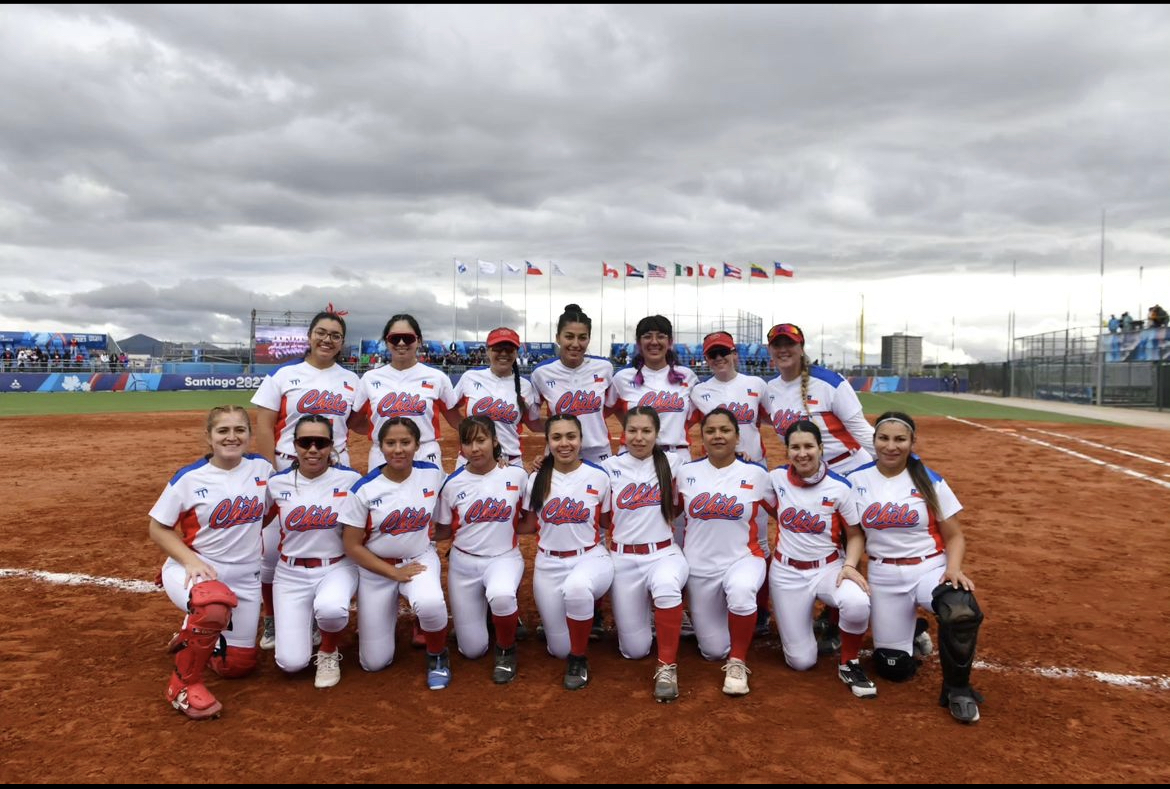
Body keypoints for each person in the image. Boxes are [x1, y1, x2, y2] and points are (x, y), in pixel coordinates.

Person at [847, 411, 985, 723]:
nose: (891, 446)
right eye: (884, 438)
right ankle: (914, 631)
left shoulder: (928, 479)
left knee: (960, 609)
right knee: (893, 668)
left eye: (900, 439)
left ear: (912, 442)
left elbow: (955, 536)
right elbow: (852, 533)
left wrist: (954, 568)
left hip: (928, 569)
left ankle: (958, 690)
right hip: (883, 574)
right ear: (874, 441)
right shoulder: (856, 481)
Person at [148, 406, 270, 720]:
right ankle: (182, 686)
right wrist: (187, 560)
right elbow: (158, 528)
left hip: (246, 577)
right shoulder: (189, 478)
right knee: (212, 606)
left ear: (249, 434)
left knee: (237, 667)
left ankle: (192, 635)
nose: (232, 437)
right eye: (223, 431)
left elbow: (269, 514)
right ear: (209, 436)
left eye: (239, 430)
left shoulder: (262, 469)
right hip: (199, 569)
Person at [251, 309, 360, 651]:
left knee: (329, 542)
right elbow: (264, 424)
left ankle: (316, 615)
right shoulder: (284, 375)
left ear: (342, 342)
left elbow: (360, 422)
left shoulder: (352, 380)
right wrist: (272, 472)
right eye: (321, 332)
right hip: (288, 469)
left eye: (335, 335)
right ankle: (272, 616)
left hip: (336, 471)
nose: (327, 339)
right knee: (272, 552)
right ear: (310, 336)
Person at [763, 322, 875, 654]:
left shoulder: (829, 383)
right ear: (770, 350)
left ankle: (853, 614)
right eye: (777, 345)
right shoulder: (771, 389)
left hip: (849, 469)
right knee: (819, 538)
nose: (784, 350)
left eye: (790, 344)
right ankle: (830, 610)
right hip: (808, 473)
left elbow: (860, 430)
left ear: (801, 348)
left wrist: (899, 466)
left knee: (856, 540)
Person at [339, 418, 452, 689]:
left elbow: (467, 480)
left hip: (418, 560)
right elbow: (351, 545)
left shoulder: (432, 473)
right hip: (376, 569)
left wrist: (500, 465)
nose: (398, 449)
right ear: (381, 447)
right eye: (390, 443)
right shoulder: (365, 489)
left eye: (405, 442)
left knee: (430, 603)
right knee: (374, 662)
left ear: (417, 445)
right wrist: (393, 572)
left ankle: (437, 655)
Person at [768, 420, 876, 698]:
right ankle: (813, 630)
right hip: (786, 573)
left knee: (857, 601)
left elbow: (855, 535)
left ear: (820, 448)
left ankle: (849, 663)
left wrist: (849, 565)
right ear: (787, 450)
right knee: (801, 661)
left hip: (829, 568)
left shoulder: (840, 486)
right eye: (795, 447)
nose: (802, 453)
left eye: (809, 446)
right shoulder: (776, 478)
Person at [677, 408, 777, 696]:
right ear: (702, 437)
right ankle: (725, 634)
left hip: (743, 559)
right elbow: (668, 512)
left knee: (743, 591)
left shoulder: (756, 474)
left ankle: (738, 661)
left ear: (737, 436)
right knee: (713, 650)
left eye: (725, 430)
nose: (718, 436)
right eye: (710, 431)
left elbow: (785, 512)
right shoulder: (685, 473)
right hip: (700, 567)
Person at [517, 414, 614, 690]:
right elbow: (528, 525)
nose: (564, 443)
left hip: (589, 557)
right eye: (556, 437)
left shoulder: (599, 476)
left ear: (581, 440)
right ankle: (571, 646)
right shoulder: (536, 478)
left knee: (577, 588)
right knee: (558, 648)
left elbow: (607, 522)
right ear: (547, 442)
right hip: (548, 563)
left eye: (571, 436)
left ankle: (579, 658)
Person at [601, 407, 689, 702]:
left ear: (657, 434)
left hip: (663, 554)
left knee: (666, 586)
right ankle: (656, 619)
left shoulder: (674, 463)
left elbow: (713, 471)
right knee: (634, 650)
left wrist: (742, 458)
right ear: (623, 434)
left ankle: (667, 666)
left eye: (646, 431)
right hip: (623, 560)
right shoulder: (608, 468)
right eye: (633, 431)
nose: (639, 437)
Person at [266, 415, 360, 689]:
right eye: (305, 442)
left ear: (332, 446)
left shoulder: (351, 480)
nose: (313, 450)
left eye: (321, 443)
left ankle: (329, 650)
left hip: (336, 567)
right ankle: (309, 625)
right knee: (290, 663)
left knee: (331, 608)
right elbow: (254, 523)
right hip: (290, 572)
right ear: (294, 445)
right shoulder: (277, 484)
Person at [433, 417, 529, 683]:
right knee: (472, 650)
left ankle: (506, 649)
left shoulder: (516, 475)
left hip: (503, 558)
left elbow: (531, 519)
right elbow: (444, 529)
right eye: (467, 442)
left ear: (495, 441)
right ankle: (487, 616)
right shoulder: (452, 484)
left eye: (481, 440)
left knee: (501, 595)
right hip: (464, 564)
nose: (474, 448)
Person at [352, 313, 460, 472]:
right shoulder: (369, 378)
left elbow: (455, 419)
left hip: (424, 455)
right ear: (387, 342)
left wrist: (486, 436)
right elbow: (354, 422)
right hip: (383, 455)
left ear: (419, 341)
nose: (401, 343)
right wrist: (380, 432)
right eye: (395, 338)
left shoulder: (437, 378)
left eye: (408, 338)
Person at [530, 304, 616, 464]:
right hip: (560, 452)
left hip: (598, 453)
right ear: (558, 338)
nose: (576, 344)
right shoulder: (541, 373)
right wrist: (556, 429)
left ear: (589, 339)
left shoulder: (605, 368)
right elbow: (532, 419)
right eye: (569, 337)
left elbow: (611, 407)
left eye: (582, 337)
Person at [609, 315, 698, 466]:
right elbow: (608, 408)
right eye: (647, 336)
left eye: (661, 336)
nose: (654, 342)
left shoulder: (687, 376)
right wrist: (631, 423)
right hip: (634, 456)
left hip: (676, 456)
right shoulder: (622, 378)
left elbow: (698, 413)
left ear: (670, 342)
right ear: (639, 342)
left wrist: (676, 429)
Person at [452, 327, 543, 467]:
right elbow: (450, 408)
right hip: (471, 460)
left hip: (509, 462)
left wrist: (570, 424)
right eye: (498, 348)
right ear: (488, 351)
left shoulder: (525, 386)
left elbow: (533, 422)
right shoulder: (470, 377)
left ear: (516, 353)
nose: (504, 353)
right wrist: (467, 430)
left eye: (509, 349)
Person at [690, 331, 769, 464]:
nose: (718, 357)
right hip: (716, 464)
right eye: (712, 354)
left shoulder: (757, 384)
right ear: (707, 359)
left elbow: (773, 418)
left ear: (734, 354)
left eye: (723, 352)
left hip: (754, 462)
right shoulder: (698, 391)